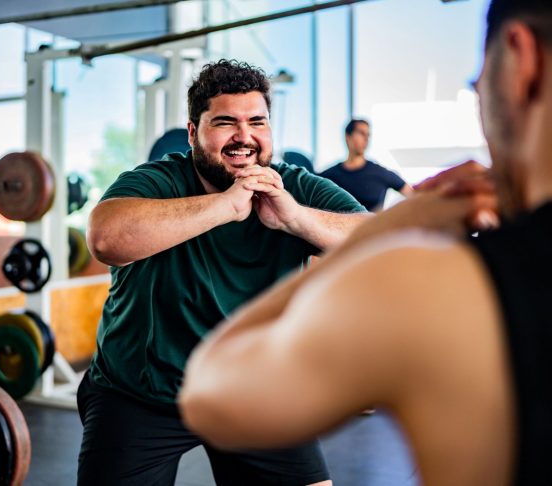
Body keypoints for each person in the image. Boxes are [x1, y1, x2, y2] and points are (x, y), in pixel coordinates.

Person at [179, 1, 552, 484]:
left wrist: (387, 232)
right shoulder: (330, 177)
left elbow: (210, 394)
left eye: (478, 83)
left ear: (523, 60)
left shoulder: (449, 286)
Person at [78, 59, 371, 486]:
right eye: (225, 123)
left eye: (257, 122)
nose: (244, 137)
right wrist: (225, 206)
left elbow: (383, 242)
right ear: (193, 133)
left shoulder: (293, 187)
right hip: (142, 392)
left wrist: (296, 218)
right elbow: (106, 238)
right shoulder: (159, 181)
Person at [320, 119, 412, 211]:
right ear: (348, 136)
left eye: (368, 135)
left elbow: (413, 196)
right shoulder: (329, 176)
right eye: (361, 133)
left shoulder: (380, 173)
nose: (366, 139)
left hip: (375, 220)